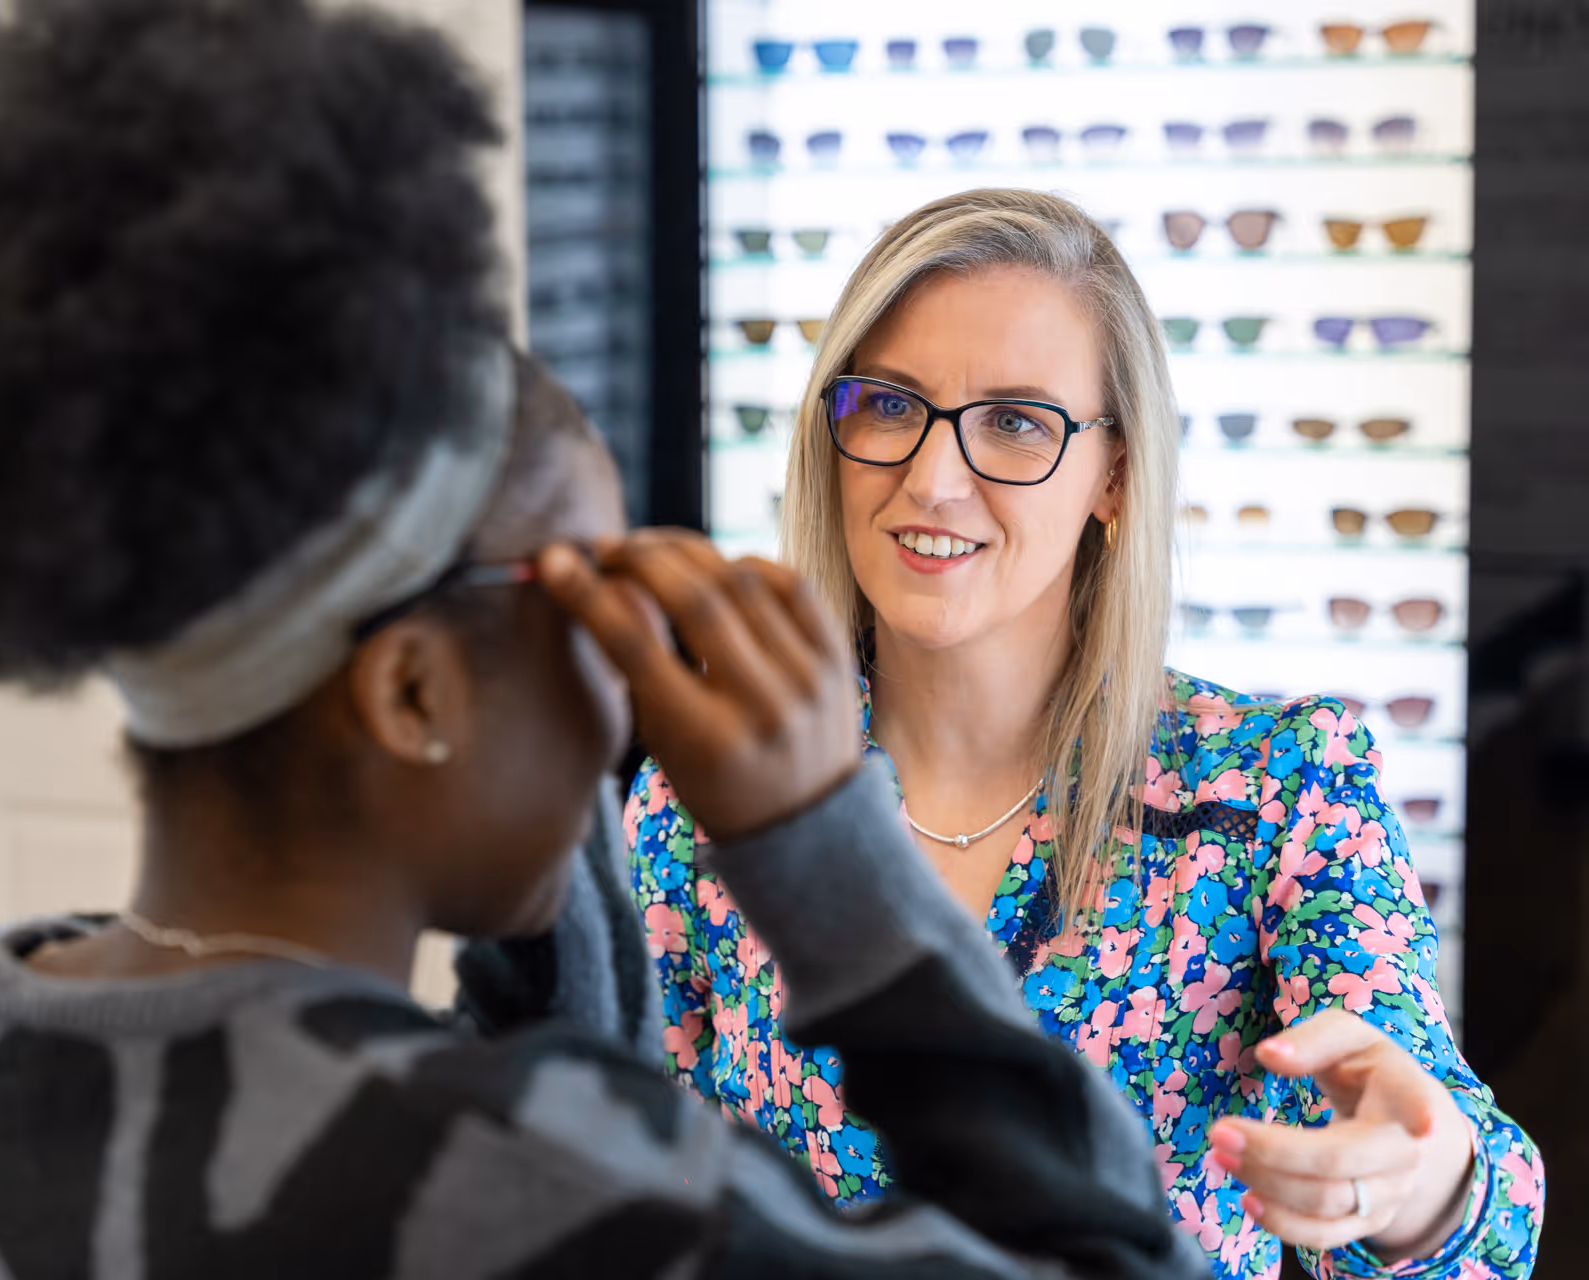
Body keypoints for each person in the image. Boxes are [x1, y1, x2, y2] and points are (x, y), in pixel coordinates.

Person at [0, 3, 1212, 1275]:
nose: (626, 675)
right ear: (411, 688)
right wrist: (828, 849)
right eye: (584, 599)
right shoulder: (549, 1187)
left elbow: (551, 1079)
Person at [627, 189, 1544, 1279]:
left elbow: (1480, 1219)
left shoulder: (1274, 790)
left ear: (1114, 474)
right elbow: (631, 1181)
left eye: (1015, 421)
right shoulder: (710, 789)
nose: (931, 475)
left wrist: (1416, 1187)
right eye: (889, 404)